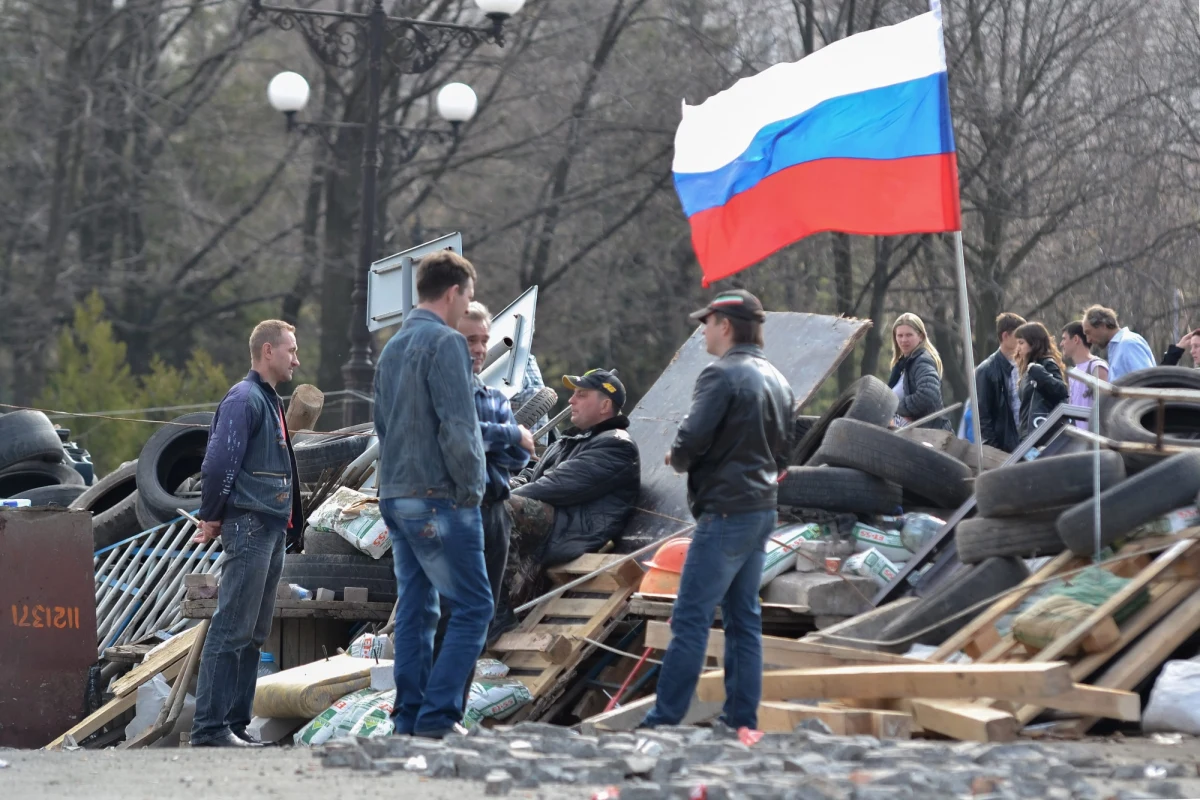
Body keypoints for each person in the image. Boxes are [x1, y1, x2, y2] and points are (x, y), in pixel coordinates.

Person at [642, 289, 794, 730]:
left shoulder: (720, 375)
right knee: (744, 619)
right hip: (760, 510)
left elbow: (690, 441)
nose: (702, 330)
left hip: (725, 513)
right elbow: (783, 456)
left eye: (706, 322)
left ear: (725, 325)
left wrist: (680, 459)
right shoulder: (777, 379)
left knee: (689, 618)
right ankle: (741, 720)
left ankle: (663, 720)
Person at [374, 250, 492, 739]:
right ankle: (440, 718)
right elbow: (459, 428)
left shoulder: (392, 347)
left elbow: (383, 426)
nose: (466, 307)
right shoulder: (446, 343)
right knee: (474, 606)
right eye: (466, 298)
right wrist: (472, 490)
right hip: (438, 496)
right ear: (452, 293)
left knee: (418, 606)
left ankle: (408, 718)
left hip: (395, 495)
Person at [190, 320, 303, 748]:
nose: (296, 359)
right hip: (251, 525)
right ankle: (210, 729)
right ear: (268, 351)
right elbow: (219, 463)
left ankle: (235, 725)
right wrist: (212, 515)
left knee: (254, 631)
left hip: (270, 527)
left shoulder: (267, 399)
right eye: (291, 350)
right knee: (231, 628)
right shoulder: (244, 399)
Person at [489, 367, 641, 642]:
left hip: (567, 533)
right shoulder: (571, 441)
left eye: (581, 395)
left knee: (497, 508)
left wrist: (495, 497)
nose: (571, 400)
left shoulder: (617, 446)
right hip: (549, 524)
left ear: (605, 405)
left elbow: (553, 487)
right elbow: (532, 475)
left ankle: (498, 615)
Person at [431, 302, 534, 698]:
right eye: (469, 340)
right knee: (447, 612)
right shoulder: (436, 392)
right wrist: (507, 436)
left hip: (494, 512)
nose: (478, 349)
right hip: (452, 512)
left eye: (483, 341)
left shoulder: (494, 396)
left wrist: (495, 441)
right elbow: (455, 436)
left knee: (480, 615)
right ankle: (430, 706)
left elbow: (520, 457)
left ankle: (451, 707)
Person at [886, 313, 951, 430]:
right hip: (911, 436)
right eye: (899, 335)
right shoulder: (903, 365)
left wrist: (897, 408)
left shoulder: (922, 361)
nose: (903, 340)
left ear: (921, 336)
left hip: (930, 436)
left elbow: (928, 395)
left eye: (909, 335)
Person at [975, 312, 1026, 452]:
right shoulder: (986, 370)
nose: (1024, 340)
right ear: (1005, 336)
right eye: (1019, 336)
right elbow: (984, 417)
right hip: (1005, 448)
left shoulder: (1028, 364)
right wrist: (995, 450)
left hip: (1029, 442)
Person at [1014, 322, 1069, 439]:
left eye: (1021, 343)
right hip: (1028, 435)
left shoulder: (1046, 364)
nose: (1018, 348)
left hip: (1043, 434)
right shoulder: (1027, 369)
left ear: (1034, 343)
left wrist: (1039, 373)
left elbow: (1061, 390)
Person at [1081, 304, 1155, 381]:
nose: (1088, 340)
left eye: (1088, 332)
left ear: (1102, 325)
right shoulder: (1118, 347)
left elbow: (1146, 382)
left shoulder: (1128, 344)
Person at [1060, 321, 1108, 429]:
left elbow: (1105, 408)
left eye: (1064, 339)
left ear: (1076, 339)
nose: (1061, 344)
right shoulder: (1073, 373)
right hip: (1078, 439)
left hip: (1094, 441)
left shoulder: (1097, 367)